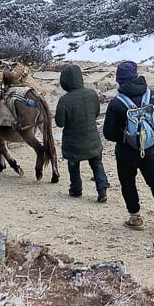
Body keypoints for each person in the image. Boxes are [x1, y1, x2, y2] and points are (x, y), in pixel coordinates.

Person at [102, 60, 154, 234]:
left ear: (120, 81)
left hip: (126, 150)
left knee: (128, 183)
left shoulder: (117, 103)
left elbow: (108, 133)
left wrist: (126, 137)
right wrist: (148, 133)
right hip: (149, 148)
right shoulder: (153, 96)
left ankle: (135, 217)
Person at [55, 63, 110, 202]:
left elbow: (60, 123)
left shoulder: (64, 100)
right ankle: (102, 189)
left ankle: (76, 189)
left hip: (73, 142)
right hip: (92, 139)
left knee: (73, 166)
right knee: (97, 164)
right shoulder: (92, 94)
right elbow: (97, 113)